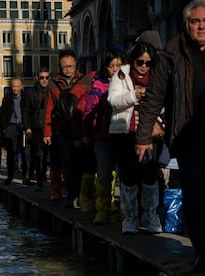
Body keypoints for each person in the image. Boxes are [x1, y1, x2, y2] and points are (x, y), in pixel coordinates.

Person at [136, 0, 205, 271]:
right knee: (196, 195)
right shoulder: (171, 53)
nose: (201, 27)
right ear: (186, 24)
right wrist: (143, 137)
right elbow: (153, 97)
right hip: (188, 138)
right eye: (195, 22)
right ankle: (201, 249)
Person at [108, 38, 162, 235]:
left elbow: (163, 102)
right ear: (134, 60)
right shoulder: (121, 75)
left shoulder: (157, 76)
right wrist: (133, 97)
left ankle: (149, 216)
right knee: (128, 177)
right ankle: (130, 219)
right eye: (140, 62)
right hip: (125, 133)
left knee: (149, 177)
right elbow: (112, 100)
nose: (144, 67)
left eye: (148, 63)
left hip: (148, 134)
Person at [43, 49, 91, 205]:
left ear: (75, 64)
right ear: (60, 66)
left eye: (70, 66)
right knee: (68, 164)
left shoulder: (85, 81)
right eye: (65, 67)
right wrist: (47, 132)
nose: (68, 70)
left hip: (82, 127)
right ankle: (72, 195)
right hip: (63, 129)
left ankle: (83, 196)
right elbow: (49, 108)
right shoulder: (53, 84)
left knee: (83, 163)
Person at [82, 49, 123, 223]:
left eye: (118, 65)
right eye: (111, 66)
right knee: (104, 173)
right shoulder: (98, 85)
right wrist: (86, 132)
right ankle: (103, 210)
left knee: (124, 175)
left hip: (123, 135)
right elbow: (89, 110)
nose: (115, 69)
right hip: (103, 135)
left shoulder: (127, 83)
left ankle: (125, 213)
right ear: (105, 68)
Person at [23, 67, 51, 191]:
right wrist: (27, 128)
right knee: (38, 156)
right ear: (37, 78)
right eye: (42, 77)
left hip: (50, 127)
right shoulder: (30, 92)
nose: (44, 80)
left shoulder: (52, 91)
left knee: (49, 156)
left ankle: (48, 180)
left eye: (47, 77)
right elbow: (26, 112)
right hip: (36, 128)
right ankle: (40, 181)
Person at [0, 78, 28, 185]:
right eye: (13, 86)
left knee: (25, 152)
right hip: (11, 126)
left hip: (23, 126)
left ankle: (25, 177)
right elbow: (3, 115)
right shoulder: (7, 98)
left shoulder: (26, 97)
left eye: (17, 86)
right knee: (11, 152)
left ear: (21, 86)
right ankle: (10, 176)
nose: (15, 88)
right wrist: (4, 130)